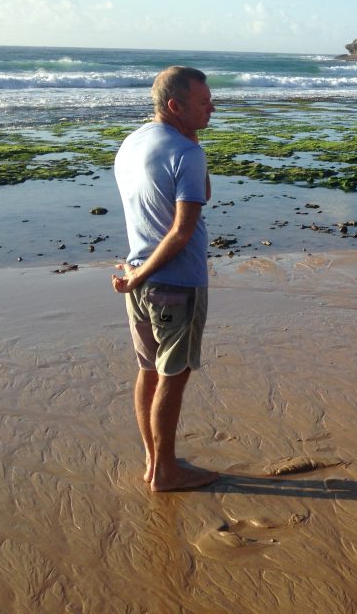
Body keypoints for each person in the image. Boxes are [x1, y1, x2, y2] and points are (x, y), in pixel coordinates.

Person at [112, 65, 219, 490]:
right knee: (173, 377)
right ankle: (166, 472)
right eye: (203, 102)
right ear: (175, 106)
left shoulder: (134, 141)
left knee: (149, 372)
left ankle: (153, 462)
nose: (213, 107)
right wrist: (141, 276)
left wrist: (137, 275)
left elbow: (202, 193)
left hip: (137, 275)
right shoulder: (186, 153)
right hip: (172, 282)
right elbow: (181, 231)